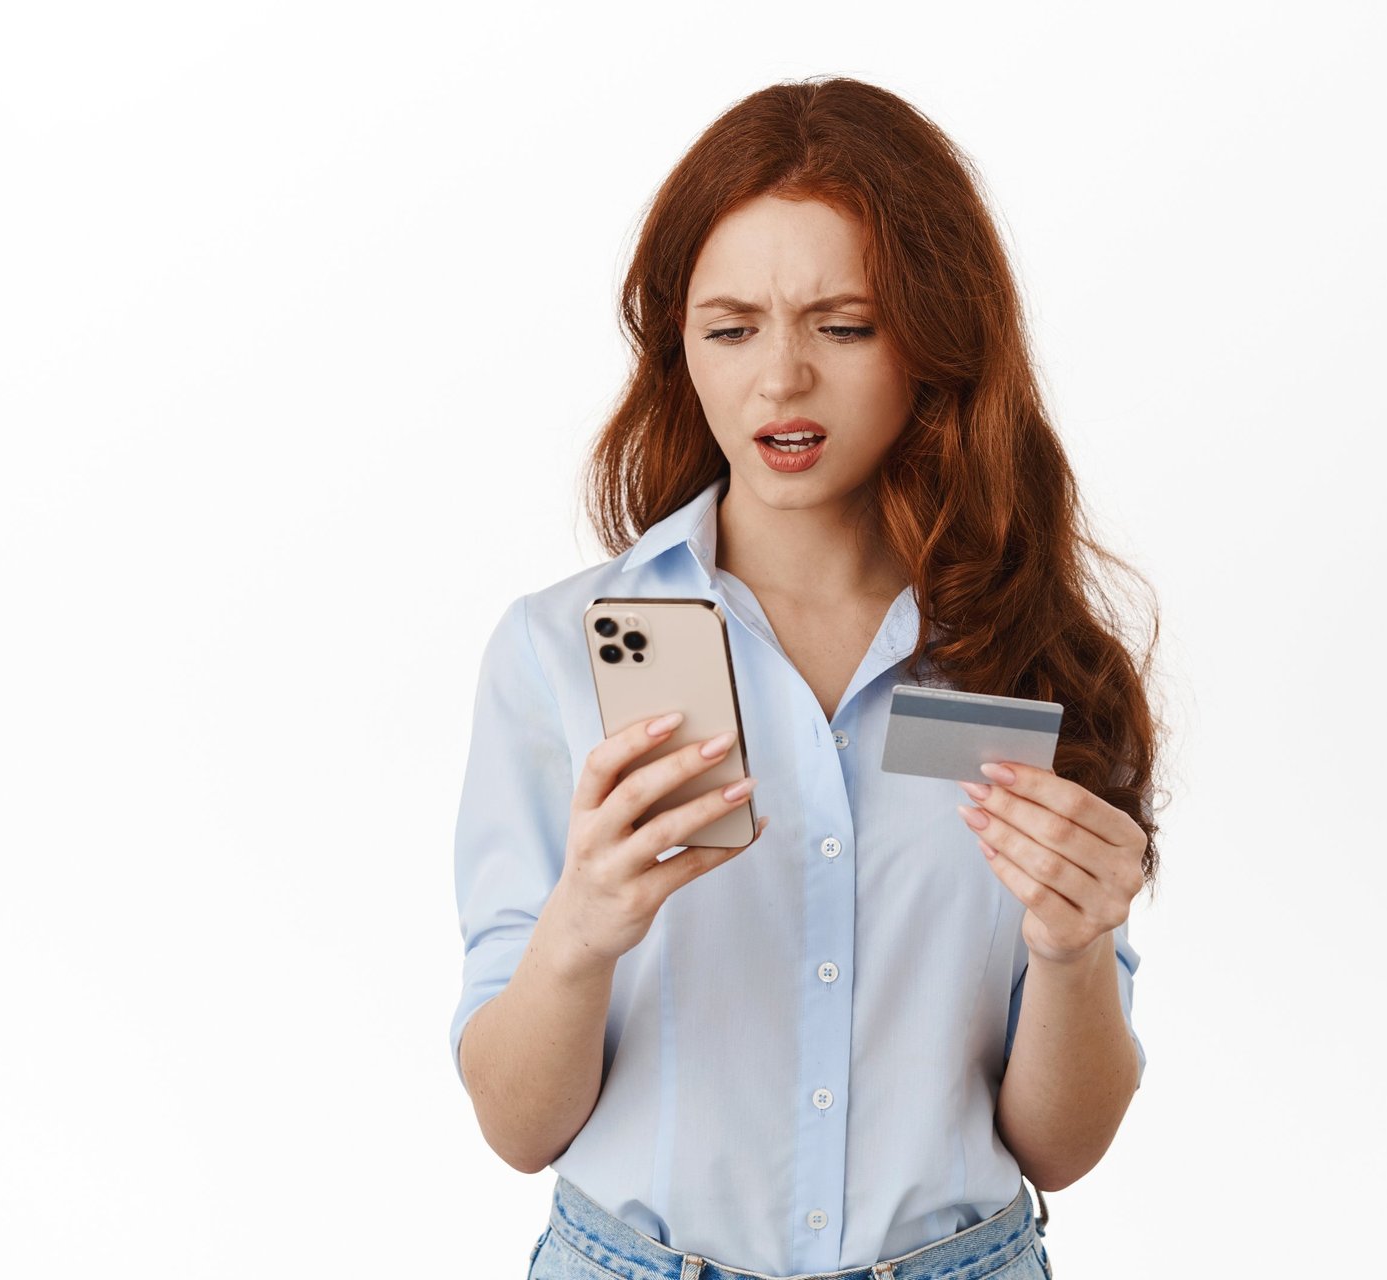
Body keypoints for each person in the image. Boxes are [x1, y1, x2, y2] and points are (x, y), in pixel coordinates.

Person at [451, 75, 1164, 1280]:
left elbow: (1061, 1144)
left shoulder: (1031, 657)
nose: (780, 380)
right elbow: (519, 1127)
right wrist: (583, 930)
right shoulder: (560, 650)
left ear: (936, 338)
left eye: (843, 325)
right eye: (731, 329)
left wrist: (1071, 946)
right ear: (679, 344)